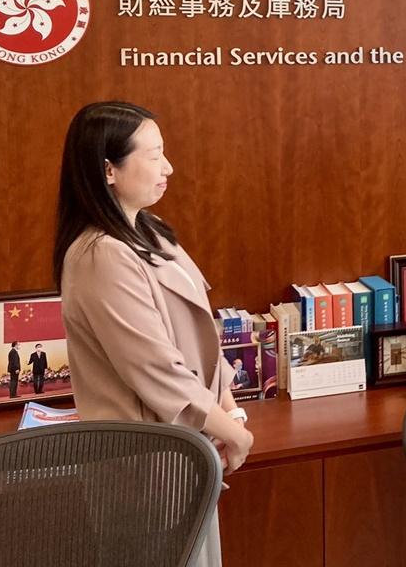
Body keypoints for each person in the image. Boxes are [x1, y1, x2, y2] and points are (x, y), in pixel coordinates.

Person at [53, 101, 254, 567]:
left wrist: (232, 413)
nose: (168, 168)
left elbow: (200, 337)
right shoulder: (100, 255)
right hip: (145, 466)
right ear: (109, 170)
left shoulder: (151, 230)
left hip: (190, 449)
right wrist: (231, 432)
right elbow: (156, 368)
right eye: (154, 155)